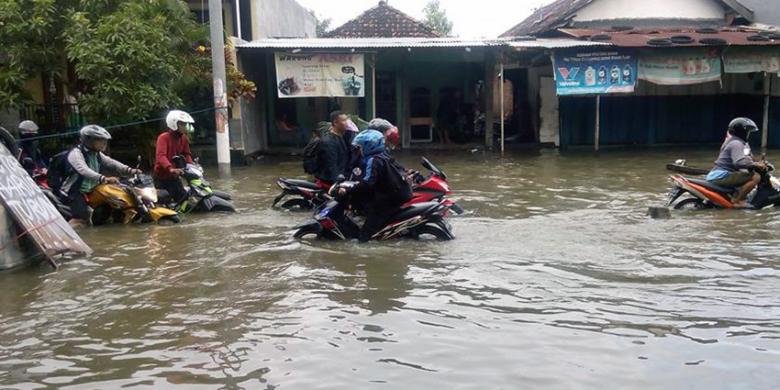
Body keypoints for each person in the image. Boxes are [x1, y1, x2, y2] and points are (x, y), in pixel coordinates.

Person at [341, 129, 412, 242]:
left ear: (369, 146)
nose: (358, 150)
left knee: (365, 234)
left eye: (360, 147)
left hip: (389, 198)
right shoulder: (382, 155)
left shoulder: (373, 160)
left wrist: (348, 190)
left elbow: (368, 182)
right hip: (398, 193)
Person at [60, 125, 141, 223]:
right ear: (88, 140)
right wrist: (103, 178)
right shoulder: (76, 154)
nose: (104, 143)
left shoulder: (96, 153)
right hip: (75, 191)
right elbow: (84, 170)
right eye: (100, 140)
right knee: (82, 218)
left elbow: (111, 163)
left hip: (93, 188)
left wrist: (129, 170)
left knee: (114, 203)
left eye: (105, 140)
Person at [706, 117, 766, 208]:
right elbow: (738, 162)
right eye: (748, 131)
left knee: (744, 174)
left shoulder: (734, 142)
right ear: (742, 131)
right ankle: (738, 201)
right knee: (756, 177)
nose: (749, 134)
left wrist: (755, 163)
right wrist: (754, 165)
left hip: (718, 174)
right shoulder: (737, 144)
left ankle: (736, 197)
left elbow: (746, 158)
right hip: (721, 175)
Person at [154, 110, 195, 204]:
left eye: (185, 124)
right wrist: (170, 168)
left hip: (175, 176)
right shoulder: (163, 137)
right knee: (164, 202)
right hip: (162, 177)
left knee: (184, 201)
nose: (185, 127)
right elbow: (161, 156)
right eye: (182, 124)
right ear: (174, 124)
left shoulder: (183, 138)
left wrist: (192, 167)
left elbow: (187, 154)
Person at [315, 111, 352, 189]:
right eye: (344, 120)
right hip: (330, 181)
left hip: (343, 177)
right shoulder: (329, 141)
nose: (347, 123)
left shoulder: (343, 137)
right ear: (335, 123)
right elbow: (331, 164)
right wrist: (338, 183)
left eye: (347, 120)